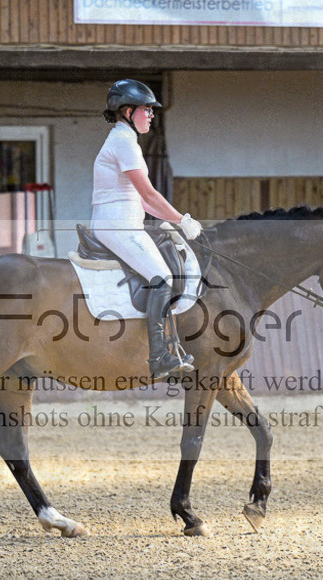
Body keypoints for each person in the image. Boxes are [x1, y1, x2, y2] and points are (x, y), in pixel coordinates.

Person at [91, 79, 202, 379]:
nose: (152, 115)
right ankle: (158, 357)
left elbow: (144, 201)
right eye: (147, 110)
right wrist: (182, 220)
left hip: (125, 221)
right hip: (118, 226)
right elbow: (151, 194)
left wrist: (171, 219)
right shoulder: (123, 143)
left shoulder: (125, 140)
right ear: (128, 111)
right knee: (162, 277)